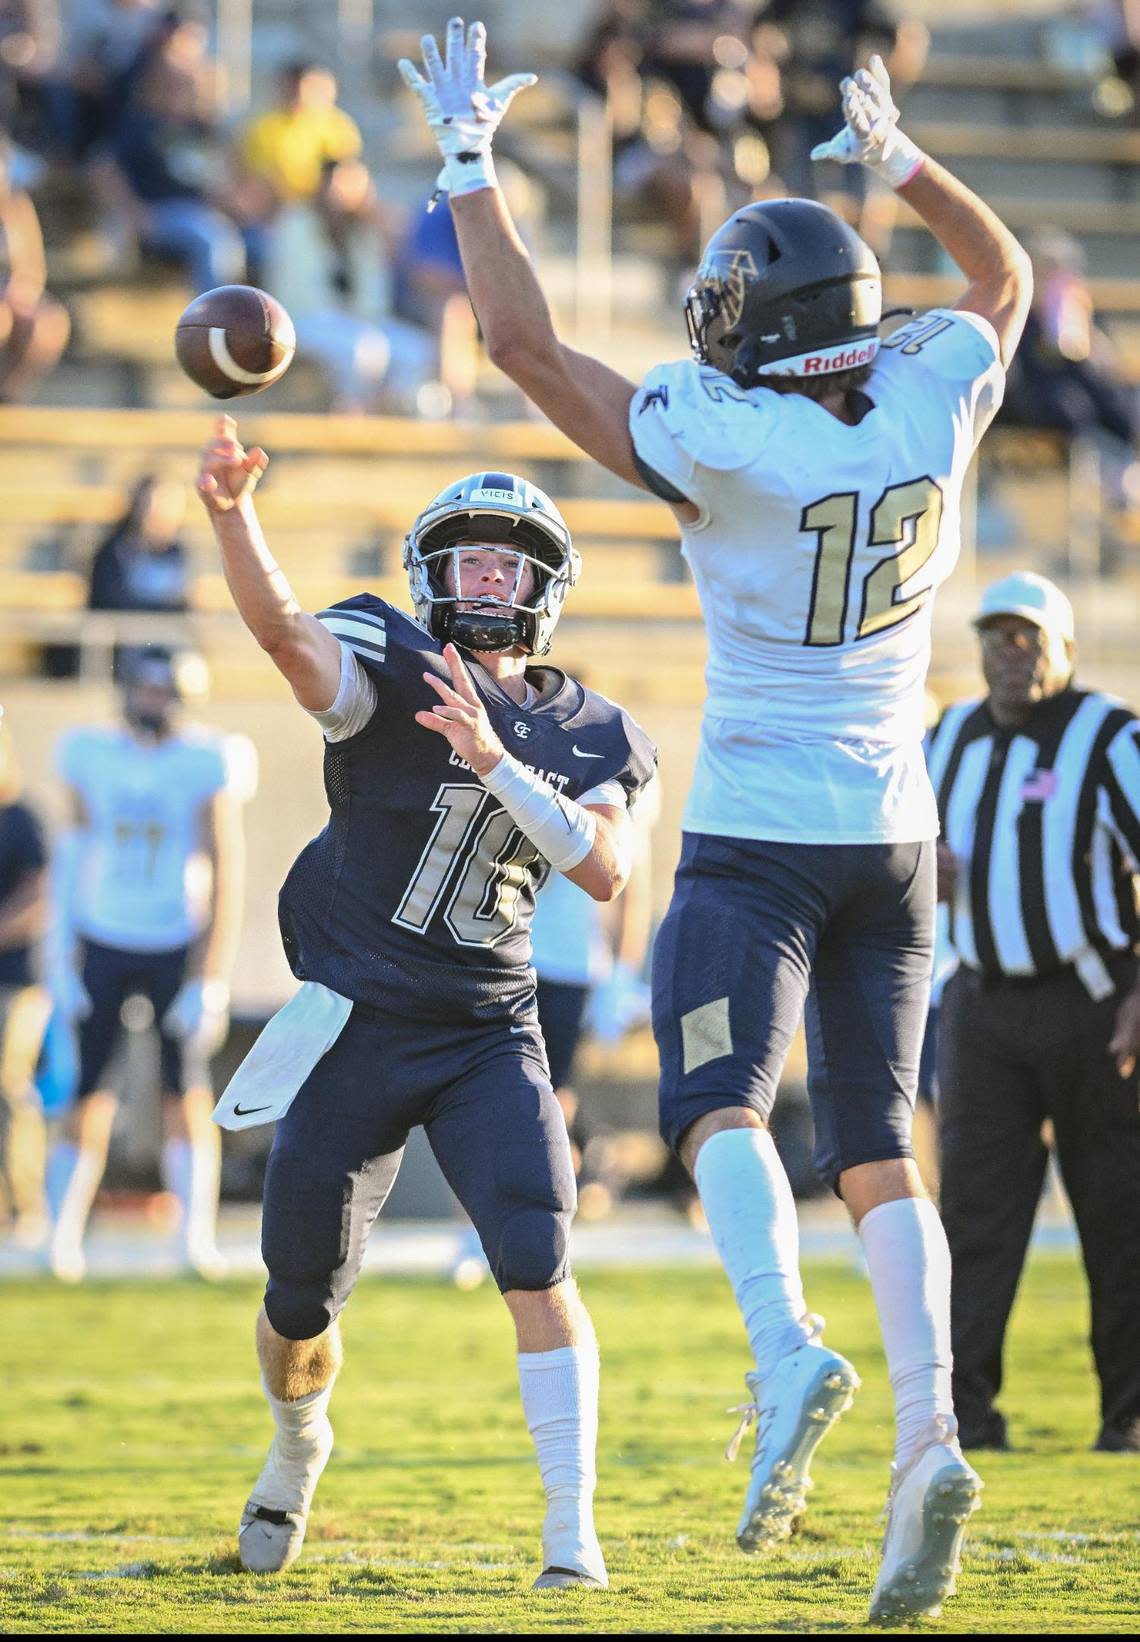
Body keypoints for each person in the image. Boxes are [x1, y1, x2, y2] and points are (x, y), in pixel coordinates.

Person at [399, 22, 1032, 1623]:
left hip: (758, 825)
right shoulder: (933, 395)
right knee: (885, 1145)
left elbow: (528, 349)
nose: (712, 328)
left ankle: (782, 1341)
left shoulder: (724, 436)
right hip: (902, 834)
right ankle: (927, 1430)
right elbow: (1008, 279)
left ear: (773, 331)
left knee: (717, 1102)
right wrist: (905, 167)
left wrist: (471, 164)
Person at [195, 419, 656, 1588]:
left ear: (547, 588)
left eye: (511, 562)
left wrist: (500, 758)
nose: (490, 579)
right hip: (356, 1021)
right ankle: (300, 1445)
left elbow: (606, 870)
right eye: (469, 560)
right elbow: (287, 641)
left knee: (540, 1258)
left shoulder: (594, 730)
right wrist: (234, 518)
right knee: (296, 1293)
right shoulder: (389, 664)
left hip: (485, 1029)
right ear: (429, 578)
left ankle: (571, 1533)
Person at [926, 570, 1140, 1457]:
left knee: (1119, 1214)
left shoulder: (1110, 736)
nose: (1010, 655)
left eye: (1028, 639)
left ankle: (1127, 1416)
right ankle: (967, 1416)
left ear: (1064, 649)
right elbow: (918, 852)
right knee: (974, 1218)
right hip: (981, 1004)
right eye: (996, 637)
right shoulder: (950, 738)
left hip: (1095, 1005)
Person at [43, 646, 255, 1282]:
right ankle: (61, 1239)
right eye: (142, 687)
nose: (149, 700)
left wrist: (208, 978)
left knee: (182, 1091)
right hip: (104, 934)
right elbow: (74, 851)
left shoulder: (205, 761)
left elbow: (226, 871)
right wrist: (61, 948)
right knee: (88, 1089)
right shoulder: (91, 754)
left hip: (171, 938)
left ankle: (194, 1239)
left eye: (162, 689)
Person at [0, 708, 50, 1244]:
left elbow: (37, 899)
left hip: (13, 980)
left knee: (9, 1085)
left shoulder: (22, 819)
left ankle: (25, 1205)